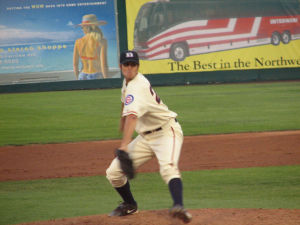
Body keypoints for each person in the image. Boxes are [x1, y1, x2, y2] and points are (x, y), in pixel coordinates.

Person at [106, 50, 192, 223]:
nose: (129, 68)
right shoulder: (127, 82)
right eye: (126, 64)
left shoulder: (138, 86)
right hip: (146, 138)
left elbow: (132, 116)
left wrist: (124, 145)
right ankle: (130, 204)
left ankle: (179, 206)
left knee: (168, 168)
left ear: (138, 66)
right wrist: (121, 120)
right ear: (121, 66)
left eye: (133, 65)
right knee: (113, 173)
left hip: (167, 132)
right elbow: (125, 103)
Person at [73, 14, 108, 80]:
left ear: (87, 27)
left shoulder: (78, 42)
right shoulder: (102, 41)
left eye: (82, 27)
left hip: (82, 75)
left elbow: (75, 65)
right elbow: (104, 65)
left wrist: (78, 78)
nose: (82, 29)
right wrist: (107, 80)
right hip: (96, 75)